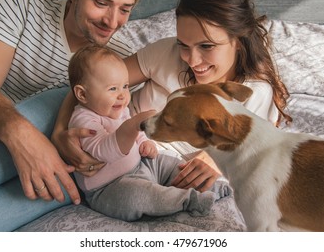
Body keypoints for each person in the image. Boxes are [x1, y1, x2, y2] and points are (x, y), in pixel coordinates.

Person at [53, 0, 292, 193]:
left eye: (206, 46)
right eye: (183, 44)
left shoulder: (254, 93)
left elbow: (257, 148)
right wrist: (60, 131)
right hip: (100, 131)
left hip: (134, 167)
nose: (192, 60)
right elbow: (90, 84)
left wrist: (217, 160)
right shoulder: (166, 53)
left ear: (238, 40)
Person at [0, 0, 143, 206]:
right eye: (101, 3)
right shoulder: (22, 2)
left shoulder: (120, 60)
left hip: (42, 173)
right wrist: (24, 136)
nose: (111, 21)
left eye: (125, 9)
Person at [67, 44, 229, 221]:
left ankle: (214, 187)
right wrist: (133, 125)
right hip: (111, 187)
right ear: (82, 95)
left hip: (141, 165)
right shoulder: (83, 120)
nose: (122, 95)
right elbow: (104, 152)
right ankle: (188, 200)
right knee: (139, 197)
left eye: (125, 86)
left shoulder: (118, 109)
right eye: (113, 88)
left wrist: (145, 142)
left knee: (173, 165)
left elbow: (137, 135)